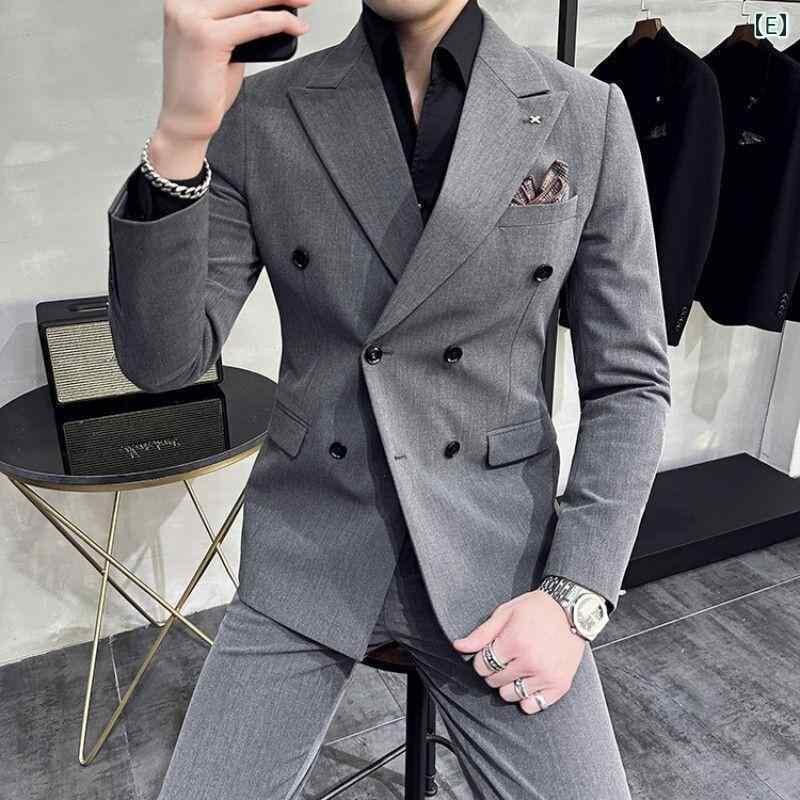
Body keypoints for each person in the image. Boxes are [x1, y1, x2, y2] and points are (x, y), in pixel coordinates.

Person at [105, 0, 671, 797]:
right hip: (312, 540)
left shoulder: (584, 112)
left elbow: (630, 382)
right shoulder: (265, 110)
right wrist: (180, 136)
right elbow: (163, 364)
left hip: (499, 558)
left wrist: (575, 593)